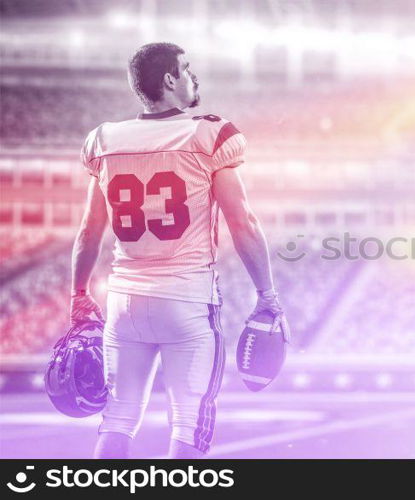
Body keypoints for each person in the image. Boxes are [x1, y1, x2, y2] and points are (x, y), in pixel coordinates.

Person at [70, 42, 285, 458]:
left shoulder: (105, 139)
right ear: (169, 80)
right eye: (186, 69)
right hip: (186, 300)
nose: (193, 77)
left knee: (117, 419)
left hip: (124, 302)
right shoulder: (208, 133)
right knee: (189, 425)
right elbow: (243, 222)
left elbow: (88, 232)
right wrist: (268, 296)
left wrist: (79, 297)